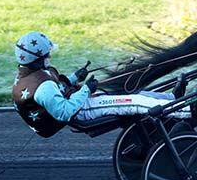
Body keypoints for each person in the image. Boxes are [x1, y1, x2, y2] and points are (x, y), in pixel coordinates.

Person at [12, 31, 182, 138]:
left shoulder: (31, 75)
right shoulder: (42, 86)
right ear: (36, 59)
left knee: (138, 95)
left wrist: (74, 78)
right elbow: (64, 112)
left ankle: (172, 99)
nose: (49, 57)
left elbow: (57, 90)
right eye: (47, 55)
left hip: (81, 103)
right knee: (134, 102)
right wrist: (86, 89)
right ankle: (185, 109)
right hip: (82, 111)